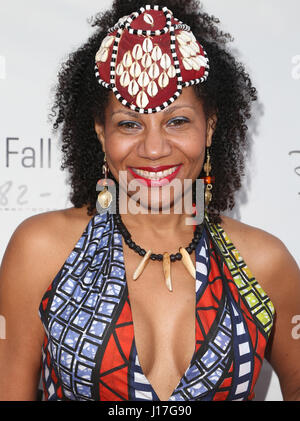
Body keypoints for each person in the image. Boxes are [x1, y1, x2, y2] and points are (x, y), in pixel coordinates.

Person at [0, 0, 300, 402]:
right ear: (101, 133)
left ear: (209, 127)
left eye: (177, 120)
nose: (155, 148)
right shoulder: (41, 250)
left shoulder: (263, 263)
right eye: (129, 123)